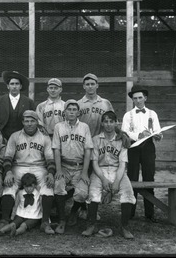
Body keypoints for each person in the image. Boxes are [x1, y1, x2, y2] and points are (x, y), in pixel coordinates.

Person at [0, 110, 56, 235]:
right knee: (9, 186)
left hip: (39, 167)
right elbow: (8, 157)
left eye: (32, 121)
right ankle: (4, 220)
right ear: (22, 122)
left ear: (37, 122)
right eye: (26, 121)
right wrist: (8, 172)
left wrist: (50, 173)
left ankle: (45, 222)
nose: (29, 124)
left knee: (47, 187)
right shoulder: (15, 136)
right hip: (19, 167)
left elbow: (50, 159)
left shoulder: (44, 137)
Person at [82, 111, 136, 239]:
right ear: (102, 123)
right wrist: (103, 179)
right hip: (99, 170)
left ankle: (125, 226)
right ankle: (92, 225)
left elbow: (123, 164)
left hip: (118, 170)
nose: (108, 124)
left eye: (111, 121)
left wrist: (117, 181)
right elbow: (94, 163)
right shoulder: (96, 139)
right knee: (93, 193)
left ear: (116, 122)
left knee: (128, 193)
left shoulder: (122, 139)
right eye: (106, 121)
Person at [121, 85, 162, 223]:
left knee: (148, 178)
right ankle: (130, 212)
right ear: (132, 100)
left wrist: (158, 135)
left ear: (145, 98)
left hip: (148, 148)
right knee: (132, 178)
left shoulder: (152, 114)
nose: (138, 101)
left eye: (140, 98)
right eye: (135, 98)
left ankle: (149, 214)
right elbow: (124, 133)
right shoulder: (128, 115)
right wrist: (138, 135)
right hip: (133, 147)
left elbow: (157, 130)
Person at [51, 99, 93, 234]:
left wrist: (85, 172)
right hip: (64, 165)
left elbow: (88, 150)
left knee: (82, 193)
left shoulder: (84, 127)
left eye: (74, 110)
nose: (72, 112)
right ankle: (62, 219)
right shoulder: (58, 127)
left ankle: (74, 211)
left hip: (80, 166)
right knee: (58, 186)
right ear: (64, 112)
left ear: (78, 112)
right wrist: (58, 170)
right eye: (69, 109)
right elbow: (56, 149)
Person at [77, 73, 114, 219]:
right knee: (82, 175)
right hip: (82, 144)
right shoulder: (79, 104)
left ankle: (93, 208)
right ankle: (81, 208)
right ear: (83, 86)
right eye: (87, 84)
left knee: (95, 176)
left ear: (97, 85)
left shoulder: (105, 103)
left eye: (93, 84)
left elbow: (111, 121)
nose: (90, 86)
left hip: (99, 143)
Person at [0, 71, 35, 140]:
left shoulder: (28, 102)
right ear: (8, 86)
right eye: (12, 84)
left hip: (23, 139)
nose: (14, 86)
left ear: (20, 86)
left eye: (17, 84)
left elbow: (34, 121)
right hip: (2, 139)